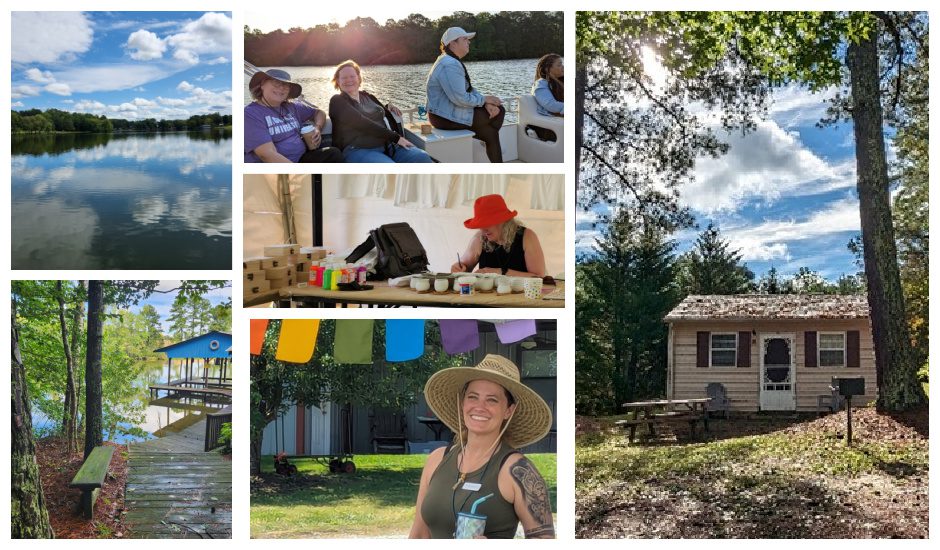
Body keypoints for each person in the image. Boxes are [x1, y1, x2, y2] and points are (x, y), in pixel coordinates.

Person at [409, 354, 555, 539]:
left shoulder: (518, 470)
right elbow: (419, 533)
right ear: (462, 403)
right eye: (473, 397)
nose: (480, 407)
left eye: (492, 400)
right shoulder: (437, 459)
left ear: (508, 411)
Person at [425, 27, 505, 163]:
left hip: (447, 112)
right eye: (465, 39)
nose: (469, 42)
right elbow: (460, 98)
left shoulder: (450, 60)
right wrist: (484, 100)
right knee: (500, 111)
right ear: (453, 43)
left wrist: (485, 102)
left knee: (491, 133)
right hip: (443, 116)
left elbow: (468, 90)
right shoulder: (449, 64)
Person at [328, 60, 433, 163]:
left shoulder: (368, 97)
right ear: (338, 81)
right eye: (344, 78)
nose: (348, 80)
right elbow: (361, 122)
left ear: (359, 78)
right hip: (358, 150)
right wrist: (396, 138)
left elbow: (381, 111)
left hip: (388, 146)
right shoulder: (337, 101)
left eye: (352, 76)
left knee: (422, 157)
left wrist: (389, 107)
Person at [244, 68, 343, 163]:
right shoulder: (250, 114)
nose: (282, 87)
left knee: (334, 153)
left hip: (301, 158)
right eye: (276, 83)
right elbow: (267, 155)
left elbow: (319, 112)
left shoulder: (292, 107)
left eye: (286, 85)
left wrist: (317, 128)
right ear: (262, 84)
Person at [450, 194, 547, 278]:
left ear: (503, 221)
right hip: (486, 298)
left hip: (521, 297)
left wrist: (500, 272)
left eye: (487, 223)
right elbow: (464, 267)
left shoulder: (527, 237)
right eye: (480, 225)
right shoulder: (479, 238)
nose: (483, 230)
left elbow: (539, 277)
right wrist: (459, 268)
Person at [530, 54, 564, 142]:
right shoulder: (541, 84)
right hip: (550, 127)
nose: (563, 67)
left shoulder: (562, 81)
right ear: (547, 69)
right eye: (559, 65)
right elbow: (550, 105)